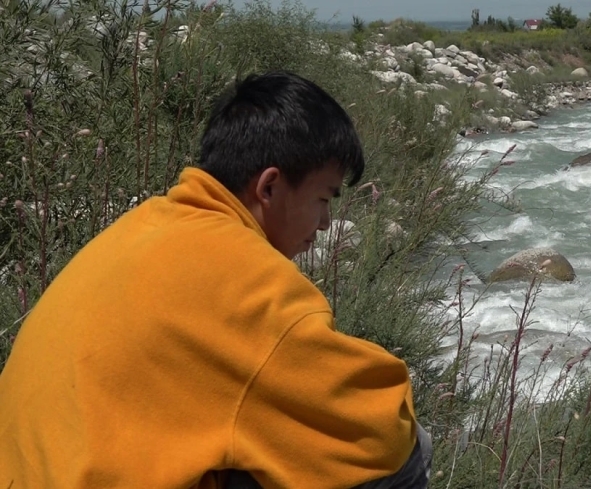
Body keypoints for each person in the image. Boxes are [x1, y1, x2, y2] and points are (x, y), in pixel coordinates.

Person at [0, 70, 432, 488]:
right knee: (407, 456)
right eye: (323, 198)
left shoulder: (145, 226)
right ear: (269, 188)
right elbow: (381, 431)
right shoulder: (245, 278)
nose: (324, 223)